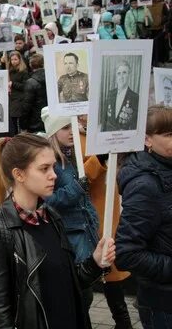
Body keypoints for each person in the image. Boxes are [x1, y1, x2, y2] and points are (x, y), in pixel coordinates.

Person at [0, 133, 115, 329]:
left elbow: (70, 283)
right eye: (44, 169)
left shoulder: (52, 216)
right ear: (19, 174)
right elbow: (0, 314)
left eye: (53, 166)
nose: (54, 175)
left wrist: (95, 262)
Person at [115, 105, 172, 329]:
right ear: (147, 140)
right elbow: (127, 254)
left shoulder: (166, 166)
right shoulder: (144, 185)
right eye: (168, 135)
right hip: (164, 305)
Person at [41, 108, 100, 324]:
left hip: (84, 231)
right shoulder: (51, 163)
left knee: (85, 293)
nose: (72, 131)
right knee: (81, 294)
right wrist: (76, 188)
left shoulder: (69, 156)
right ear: (54, 131)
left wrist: (94, 219)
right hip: (70, 236)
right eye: (66, 127)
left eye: (72, 125)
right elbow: (48, 200)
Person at [78, 116, 133, 329]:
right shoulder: (74, 136)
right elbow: (81, 177)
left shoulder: (100, 129)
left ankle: (123, 321)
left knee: (111, 264)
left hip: (108, 204)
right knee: (99, 264)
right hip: (91, 209)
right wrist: (99, 157)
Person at [102, 61, 139, 131]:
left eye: (124, 73)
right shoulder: (110, 93)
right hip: (108, 136)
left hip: (124, 138)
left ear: (129, 75)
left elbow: (134, 125)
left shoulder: (135, 97)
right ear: (116, 76)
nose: (121, 77)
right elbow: (104, 119)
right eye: (119, 73)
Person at [20, 54, 48, 133]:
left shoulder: (31, 82)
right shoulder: (52, 78)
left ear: (30, 65)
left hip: (35, 124)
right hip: (49, 119)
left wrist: (23, 125)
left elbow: (26, 106)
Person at [7, 51, 29, 136]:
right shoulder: (10, 71)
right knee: (13, 121)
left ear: (20, 60)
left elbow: (25, 86)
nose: (13, 61)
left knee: (18, 121)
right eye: (12, 59)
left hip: (19, 100)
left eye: (15, 59)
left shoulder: (23, 72)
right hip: (12, 99)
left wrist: (13, 84)